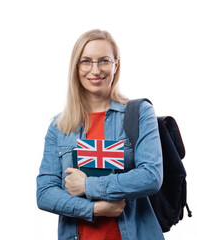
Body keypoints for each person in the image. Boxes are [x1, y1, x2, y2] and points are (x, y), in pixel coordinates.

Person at [36, 29, 164, 240]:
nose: (95, 70)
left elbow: (151, 176)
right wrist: (94, 210)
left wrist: (88, 186)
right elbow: (44, 194)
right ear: (76, 67)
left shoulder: (140, 113)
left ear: (116, 64)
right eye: (86, 61)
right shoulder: (59, 126)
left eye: (104, 60)